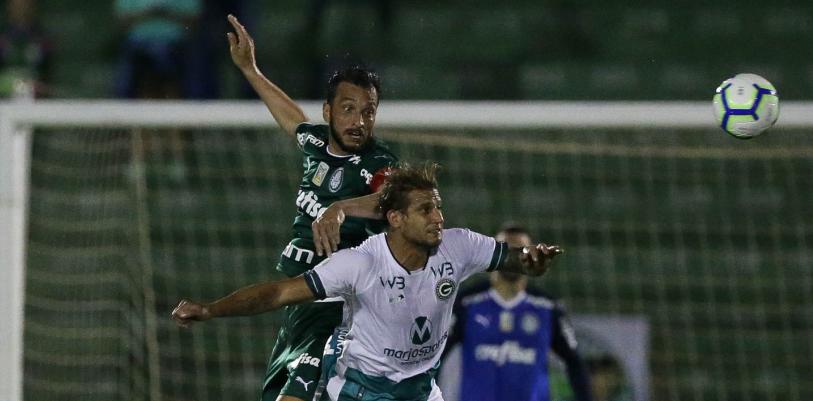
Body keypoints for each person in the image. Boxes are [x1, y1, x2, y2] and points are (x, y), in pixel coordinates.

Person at [172, 163, 563, 401]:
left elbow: (517, 261)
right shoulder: (361, 263)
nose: (438, 218)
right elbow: (278, 292)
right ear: (396, 218)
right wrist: (210, 310)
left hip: (421, 389)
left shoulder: (458, 246)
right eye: (426, 210)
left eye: (439, 207)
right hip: (363, 389)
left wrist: (533, 262)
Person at [225, 15, 399, 401]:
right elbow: (292, 121)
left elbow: (392, 200)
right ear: (328, 112)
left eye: (369, 111)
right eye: (349, 109)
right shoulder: (316, 143)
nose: (359, 121)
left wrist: (341, 208)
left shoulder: (378, 161)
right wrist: (250, 69)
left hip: (339, 307)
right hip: (299, 306)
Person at [442, 224, 592, 401]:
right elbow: (436, 356)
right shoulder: (466, 303)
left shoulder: (548, 307)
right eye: (506, 250)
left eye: (522, 250)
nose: (513, 257)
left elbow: (574, 362)